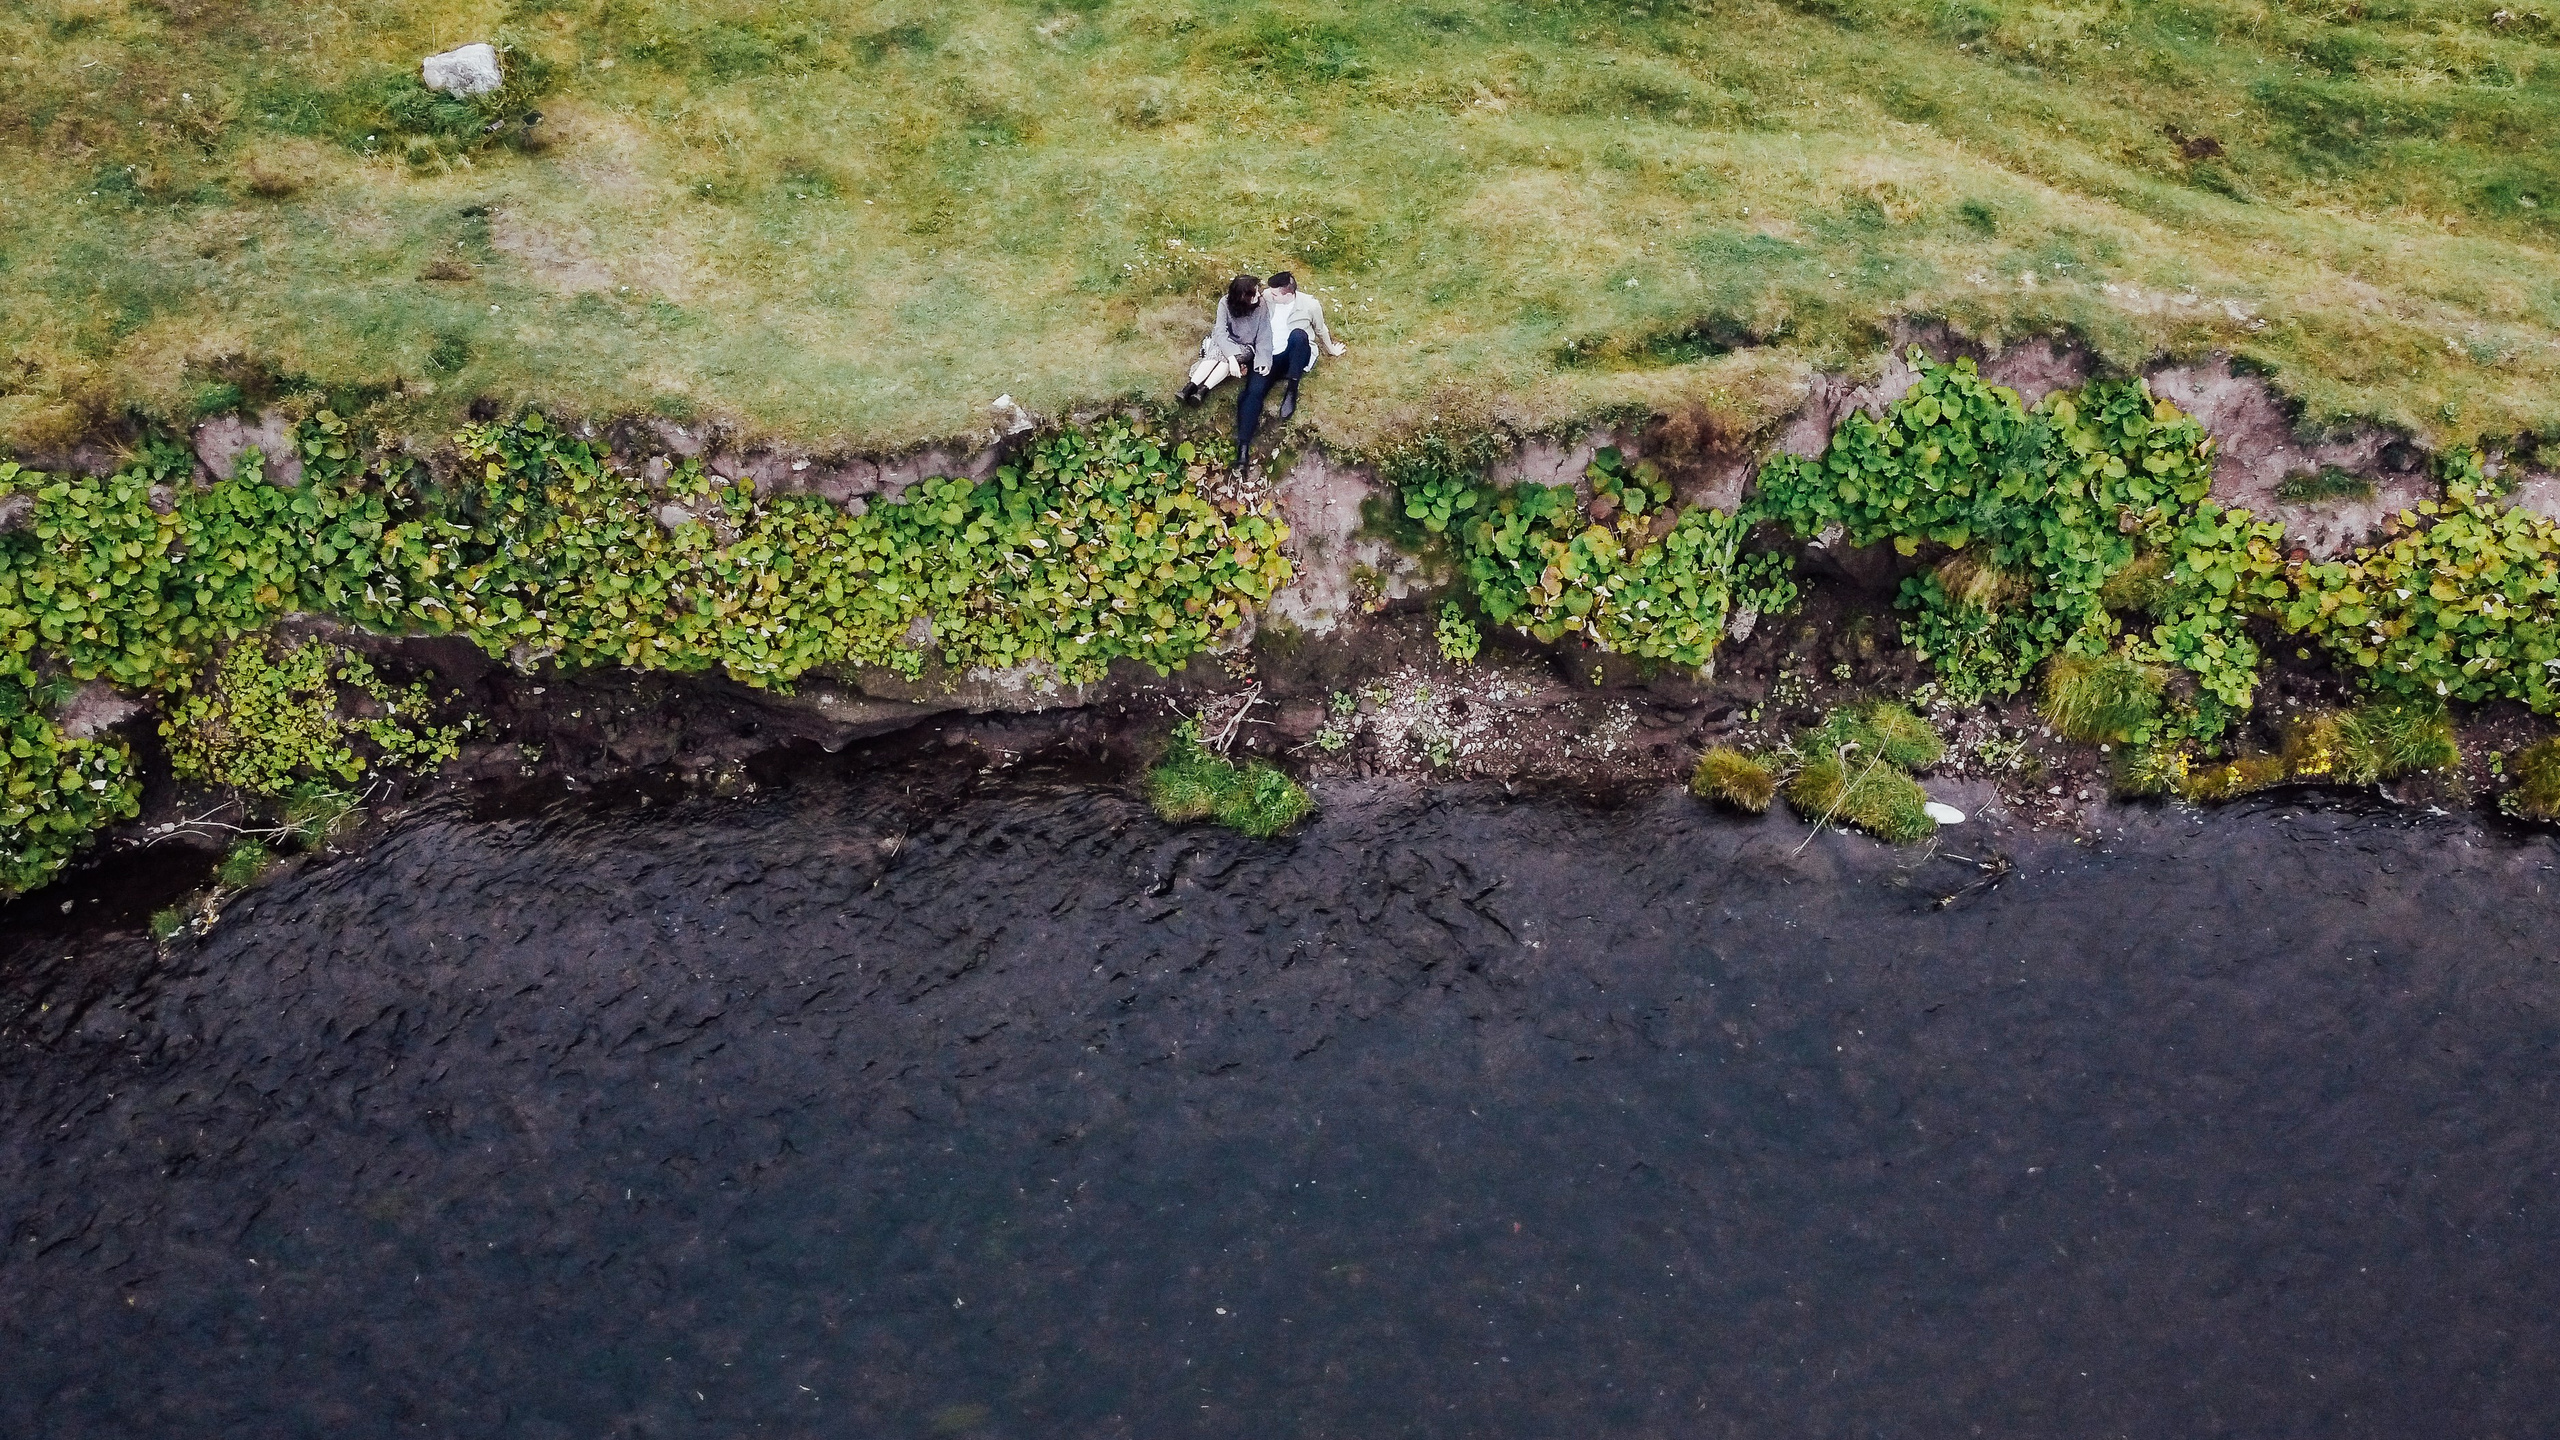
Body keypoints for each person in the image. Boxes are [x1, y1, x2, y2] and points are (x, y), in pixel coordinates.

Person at [1234, 271, 1345, 466]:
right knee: (1252, 394)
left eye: (1275, 294)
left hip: (1294, 355)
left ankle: (1292, 390)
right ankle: (1242, 450)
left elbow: (1321, 329)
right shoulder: (1267, 298)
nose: (1269, 295)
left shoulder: (1309, 305)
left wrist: (1332, 349)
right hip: (1269, 356)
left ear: (1288, 294)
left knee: (1299, 335)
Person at [1178, 275, 1266, 406]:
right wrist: (1231, 357)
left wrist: (1263, 360)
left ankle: (1199, 389)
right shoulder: (1225, 302)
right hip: (1224, 340)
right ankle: (1194, 388)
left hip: (1245, 346)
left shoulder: (1261, 306)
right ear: (1243, 296)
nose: (1259, 294)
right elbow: (1220, 330)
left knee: (1224, 356)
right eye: (1255, 292)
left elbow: (1265, 335)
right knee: (1220, 353)